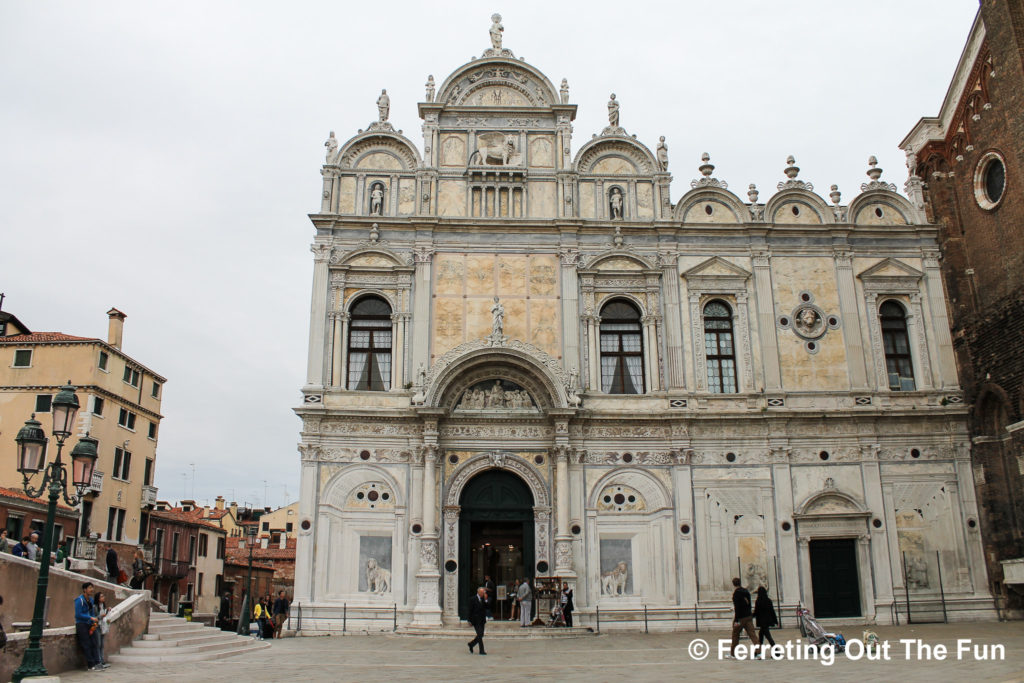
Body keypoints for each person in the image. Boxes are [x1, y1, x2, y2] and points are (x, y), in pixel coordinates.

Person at [74, 582, 106, 671]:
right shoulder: (79, 600)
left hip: (90, 624)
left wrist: (93, 619)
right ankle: (90, 664)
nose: (92, 590)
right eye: (89, 588)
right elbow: (78, 614)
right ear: (84, 589)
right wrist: (90, 617)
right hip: (81, 624)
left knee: (94, 643)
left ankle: (97, 663)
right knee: (86, 644)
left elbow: (92, 611)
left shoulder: (91, 600)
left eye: (92, 587)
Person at [728, 577, 759, 658]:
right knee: (753, 635)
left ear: (733, 584)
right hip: (748, 616)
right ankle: (759, 652)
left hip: (740, 618)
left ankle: (733, 653)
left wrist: (736, 620)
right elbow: (749, 604)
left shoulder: (736, 594)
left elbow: (737, 608)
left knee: (735, 634)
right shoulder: (746, 592)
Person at [754, 586, 778, 653]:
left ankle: (776, 651)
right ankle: (758, 652)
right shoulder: (768, 600)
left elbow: (756, 612)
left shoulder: (758, 601)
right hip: (767, 621)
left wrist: (750, 616)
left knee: (769, 637)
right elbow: (772, 611)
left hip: (762, 622)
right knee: (761, 636)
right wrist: (775, 620)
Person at [467, 586, 488, 655]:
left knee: (481, 634)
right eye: (482, 592)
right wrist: (469, 620)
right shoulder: (472, 599)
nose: (483, 594)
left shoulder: (483, 599)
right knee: (479, 634)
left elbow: (487, 607)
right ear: (478, 592)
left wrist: (485, 600)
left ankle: (471, 644)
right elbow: (470, 610)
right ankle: (481, 650)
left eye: (483, 592)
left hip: (482, 620)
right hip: (475, 620)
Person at [93, 591, 110, 667]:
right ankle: (98, 660)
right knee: (98, 644)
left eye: (103, 596)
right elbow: (94, 617)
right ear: (98, 598)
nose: (103, 598)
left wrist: (107, 611)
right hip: (97, 626)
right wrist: (101, 616)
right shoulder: (95, 606)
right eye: (101, 596)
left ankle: (102, 660)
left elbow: (105, 615)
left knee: (102, 644)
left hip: (103, 626)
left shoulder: (103, 605)